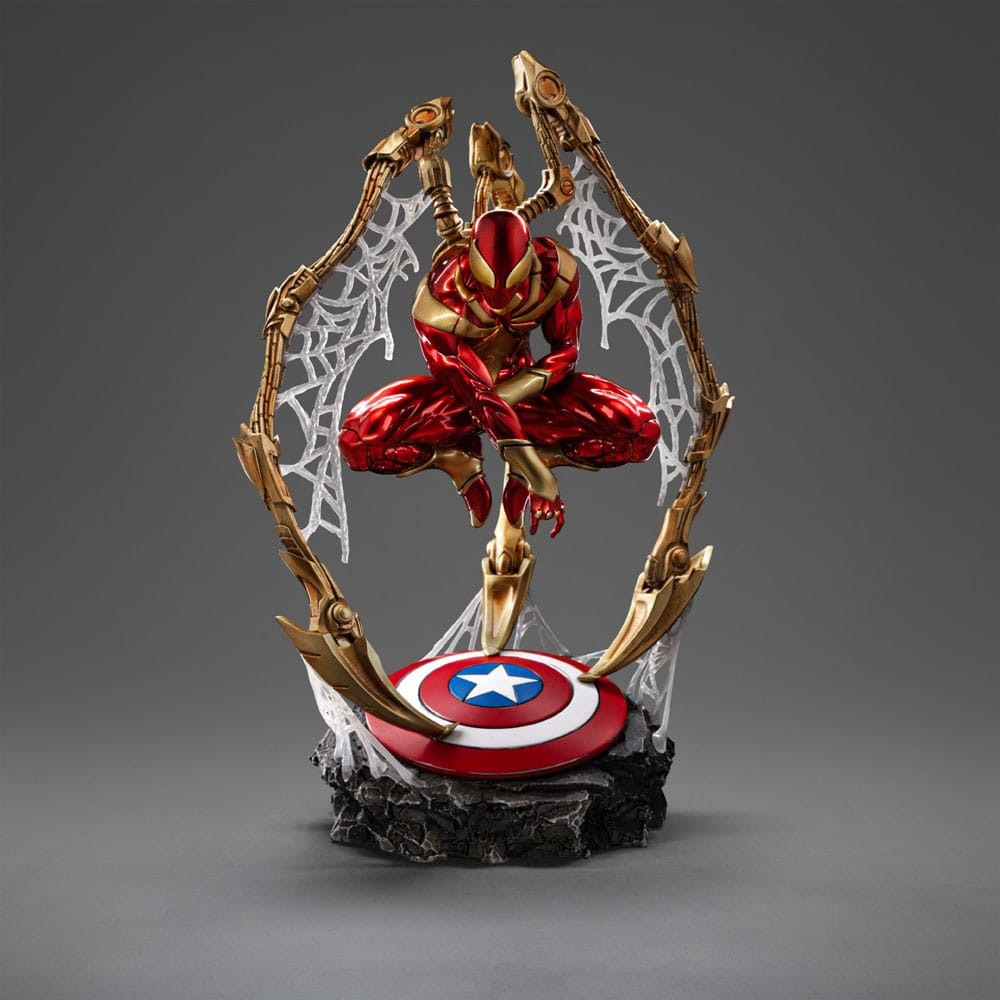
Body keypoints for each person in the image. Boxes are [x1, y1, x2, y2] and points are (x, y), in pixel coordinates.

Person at [339, 209, 660, 537]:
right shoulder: (440, 296)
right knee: (356, 443)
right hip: (459, 402)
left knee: (642, 431)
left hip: (528, 395)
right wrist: (539, 477)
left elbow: (566, 353)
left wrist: (518, 421)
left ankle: (550, 454)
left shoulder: (554, 270)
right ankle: (453, 459)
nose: (501, 302)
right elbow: (474, 390)